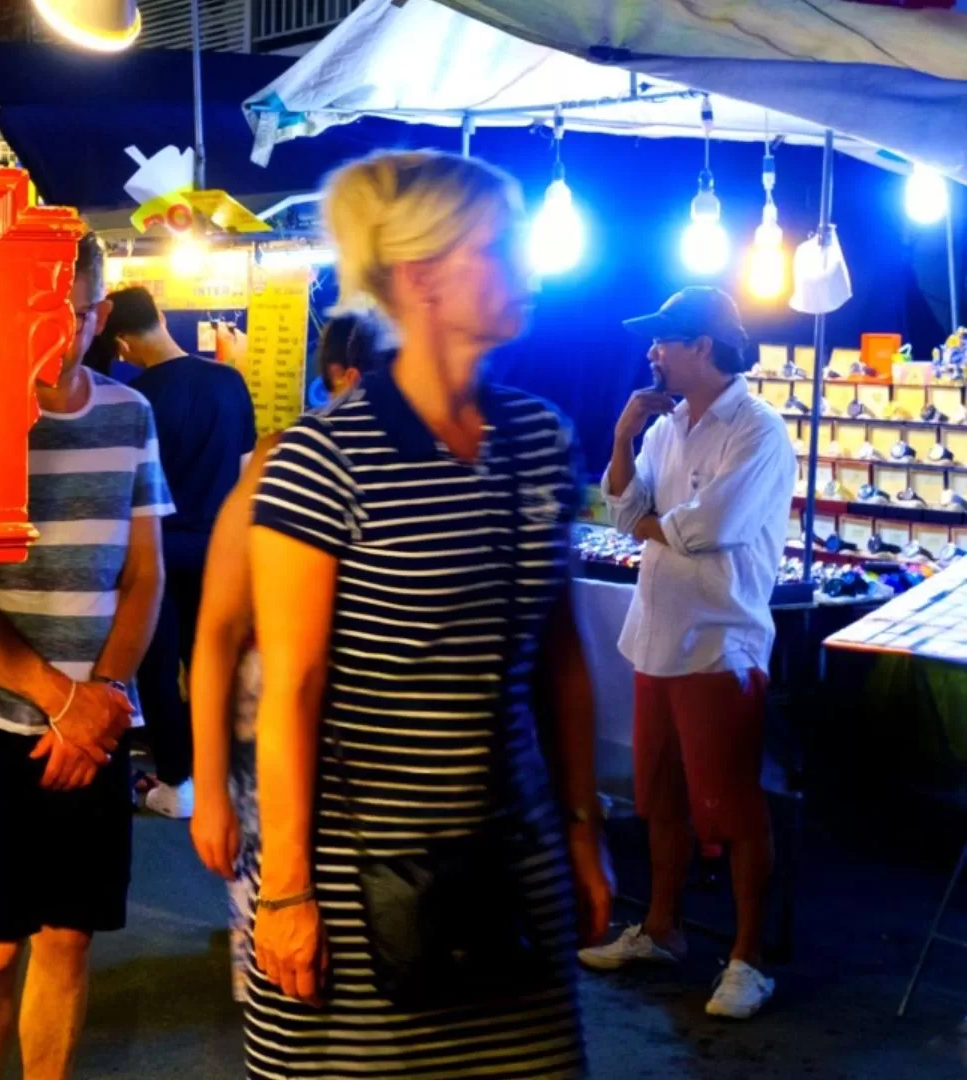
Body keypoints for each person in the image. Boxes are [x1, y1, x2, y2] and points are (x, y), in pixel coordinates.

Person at [247, 150, 611, 1079]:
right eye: (501, 249)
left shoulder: (539, 436)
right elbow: (288, 688)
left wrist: (579, 825)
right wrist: (286, 895)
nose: (526, 269)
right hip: (364, 878)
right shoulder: (324, 460)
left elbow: (561, 657)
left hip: (513, 856)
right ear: (422, 278)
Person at [0, 233, 169, 1080]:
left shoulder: (131, 413)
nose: (55, 329)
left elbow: (144, 575)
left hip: (98, 718)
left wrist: (101, 695)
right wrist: (59, 699)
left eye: (71, 311)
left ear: (98, 313)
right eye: (35, 309)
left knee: (68, 938)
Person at [579, 286, 794, 1020]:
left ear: (702, 347)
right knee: (658, 800)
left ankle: (748, 959)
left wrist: (644, 519)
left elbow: (709, 527)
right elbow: (620, 503)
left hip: (718, 641)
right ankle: (662, 929)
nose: (652, 353)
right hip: (657, 634)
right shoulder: (664, 427)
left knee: (730, 807)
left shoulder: (758, 429)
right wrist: (620, 439)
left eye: (664, 341)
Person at [189, 312, 386, 1002]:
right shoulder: (285, 460)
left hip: (383, 779)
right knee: (295, 976)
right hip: (276, 753)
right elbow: (216, 631)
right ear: (348, 378)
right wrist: (209, 791)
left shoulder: (444, 463)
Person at [101, 285, 258, 820]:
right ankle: (224, 775)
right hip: (219, 548)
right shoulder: (230, 382)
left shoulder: (138, 399)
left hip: (160, 553)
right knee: (212, 663)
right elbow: (243, 476)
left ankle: (177, 782)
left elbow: (128, 494)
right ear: (162, 317)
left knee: (160, 670)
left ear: (120, 342)